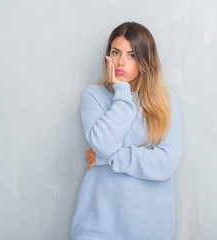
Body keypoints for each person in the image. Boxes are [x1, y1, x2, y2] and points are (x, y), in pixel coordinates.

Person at [71, 22, 183, 240]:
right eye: (116, 52)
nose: (121, 62)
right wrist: (122, 93)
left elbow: (166, 163)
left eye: (131, 55)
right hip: (98, 225)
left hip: (151, 228)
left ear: (145, 60)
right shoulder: (94, 96)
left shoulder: (166, 101)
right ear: (108, 56)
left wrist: (106, 159)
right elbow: (102, 144)